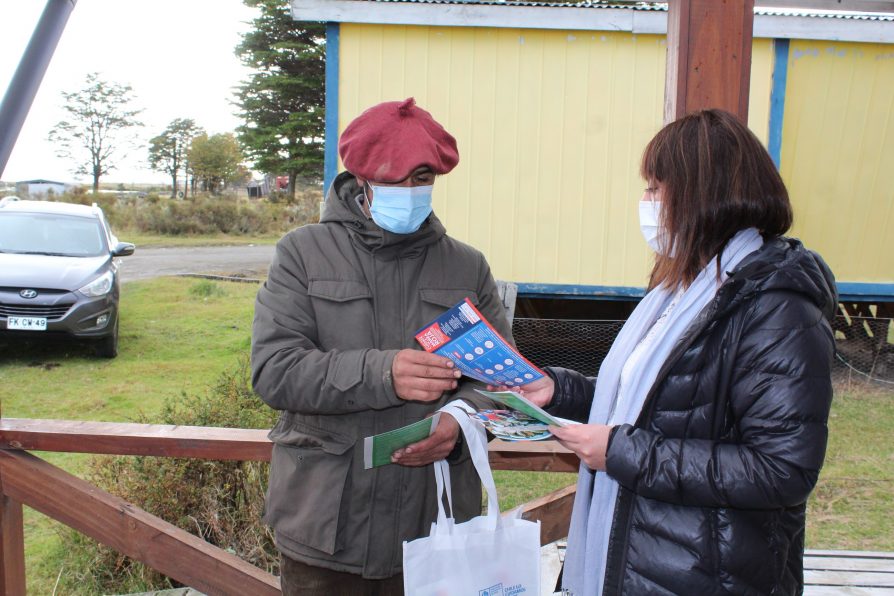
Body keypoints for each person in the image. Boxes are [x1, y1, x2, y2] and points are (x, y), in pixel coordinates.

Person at [511, 109, 837, 595]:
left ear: (703, 194)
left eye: (655, 188)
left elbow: (781, 469)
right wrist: (562, 389)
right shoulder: (687, 288)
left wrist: (623, 451)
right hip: (642, 558)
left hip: (706, 573)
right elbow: (668, 400)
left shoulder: (776, 306)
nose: (645, 202)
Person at [251, 97, 512, 595]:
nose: (411, 191)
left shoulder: (466, 267)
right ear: (363, 178)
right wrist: (382, 373)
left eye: (422, 178)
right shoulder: (302, 254)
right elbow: (274, 370)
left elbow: (500, 381)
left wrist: (459, 423)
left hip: (434, 529)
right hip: (326, 528)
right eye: (395, 178)